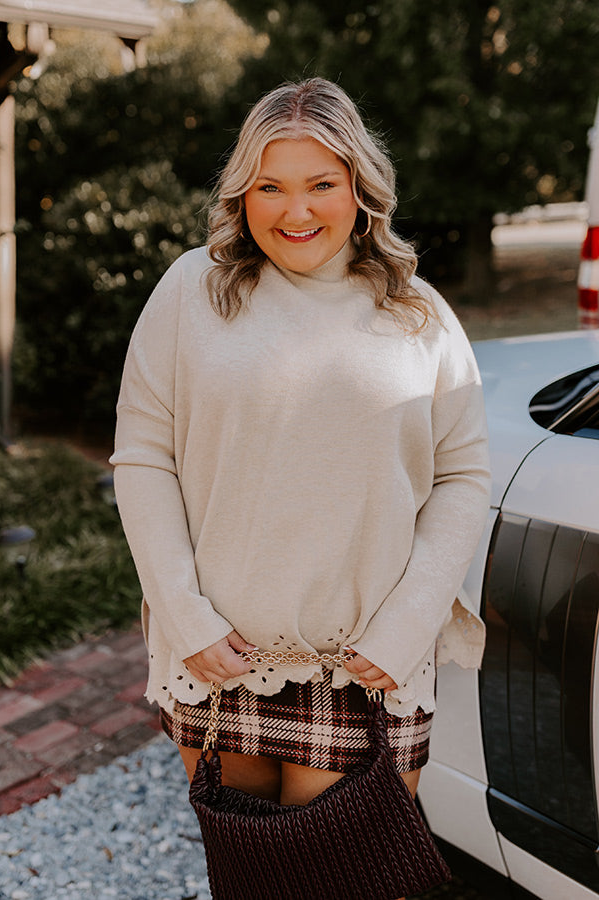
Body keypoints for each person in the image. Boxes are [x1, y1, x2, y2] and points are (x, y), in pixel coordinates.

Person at [110, 76, 490, 889]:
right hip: (218, 657)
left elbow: (463, 475)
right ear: (241, 192)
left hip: (362, 668)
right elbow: (144, 458)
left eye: (321, 184)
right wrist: (184, 620)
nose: (296, 212)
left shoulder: (417, 314)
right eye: (269, 187)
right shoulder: (190, 292)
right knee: (249, 883)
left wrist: (409, 624)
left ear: (361, 187)